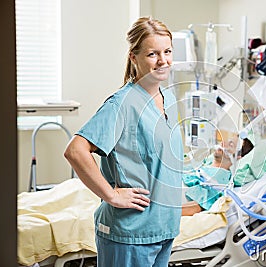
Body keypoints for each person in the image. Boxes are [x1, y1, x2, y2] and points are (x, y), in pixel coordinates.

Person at [64, 17, 183, 267]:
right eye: (152, 54)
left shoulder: (169, 98)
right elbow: (76, 151)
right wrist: (112, 195)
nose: (163, 61)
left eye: (168, 51)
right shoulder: (122, 104)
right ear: (134, 57)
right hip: (130, 234)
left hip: (163, 228)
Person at [181, 137, 254, 216]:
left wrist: (168, 211)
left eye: (231, 144)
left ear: (237, 156)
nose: (223, 143)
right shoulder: (203, 165)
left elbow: (196, 207)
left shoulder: (219, 180)